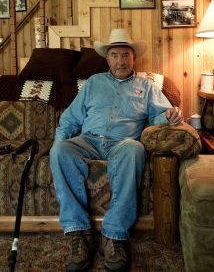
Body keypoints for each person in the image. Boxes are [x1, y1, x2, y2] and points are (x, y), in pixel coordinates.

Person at [50, 28, 183, 272]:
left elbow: (161, 116)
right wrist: (60, 141)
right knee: (60, 151)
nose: (120, 60)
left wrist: (171, 116)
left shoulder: (148, 87)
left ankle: (114, 235)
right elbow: (70, 119)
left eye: (125, 55)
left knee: (134, 149)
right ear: (107, 59)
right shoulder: (93, 83)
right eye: (115, 55)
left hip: (122, 144)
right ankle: (80, 233)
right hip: (88, 141)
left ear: (133, 58)